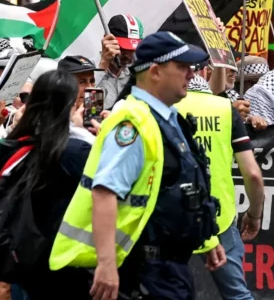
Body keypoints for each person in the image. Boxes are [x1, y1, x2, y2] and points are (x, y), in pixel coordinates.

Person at [49, 31, 226, 300]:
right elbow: (105, 192)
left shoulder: (169, 118)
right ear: (155, 72)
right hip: (144, 269)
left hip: (169, 265)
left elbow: (179, 187)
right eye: (182, 67)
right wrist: (107, 265)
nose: (192, 74)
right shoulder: (132, 122)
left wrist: (207, 240)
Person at [0, 69, 93, 300]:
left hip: (11, 262)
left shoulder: (12, 148)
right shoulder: (77, 152)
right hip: (57, 270)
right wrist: (85, 134)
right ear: (70, 107)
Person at [175, 78, 265, 300]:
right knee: (237, 295)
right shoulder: (225, 108)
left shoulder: (158, 106)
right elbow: (252, 174)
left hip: (170, 218)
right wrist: (254, 214)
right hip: (219, 218)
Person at [96, 15, 143, 110]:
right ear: (107, 40)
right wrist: (103, 65)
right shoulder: (86, 72)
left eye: (132, 49)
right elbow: (88, 109)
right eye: (123, 48)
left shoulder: (136, 74)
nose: (128, 56)